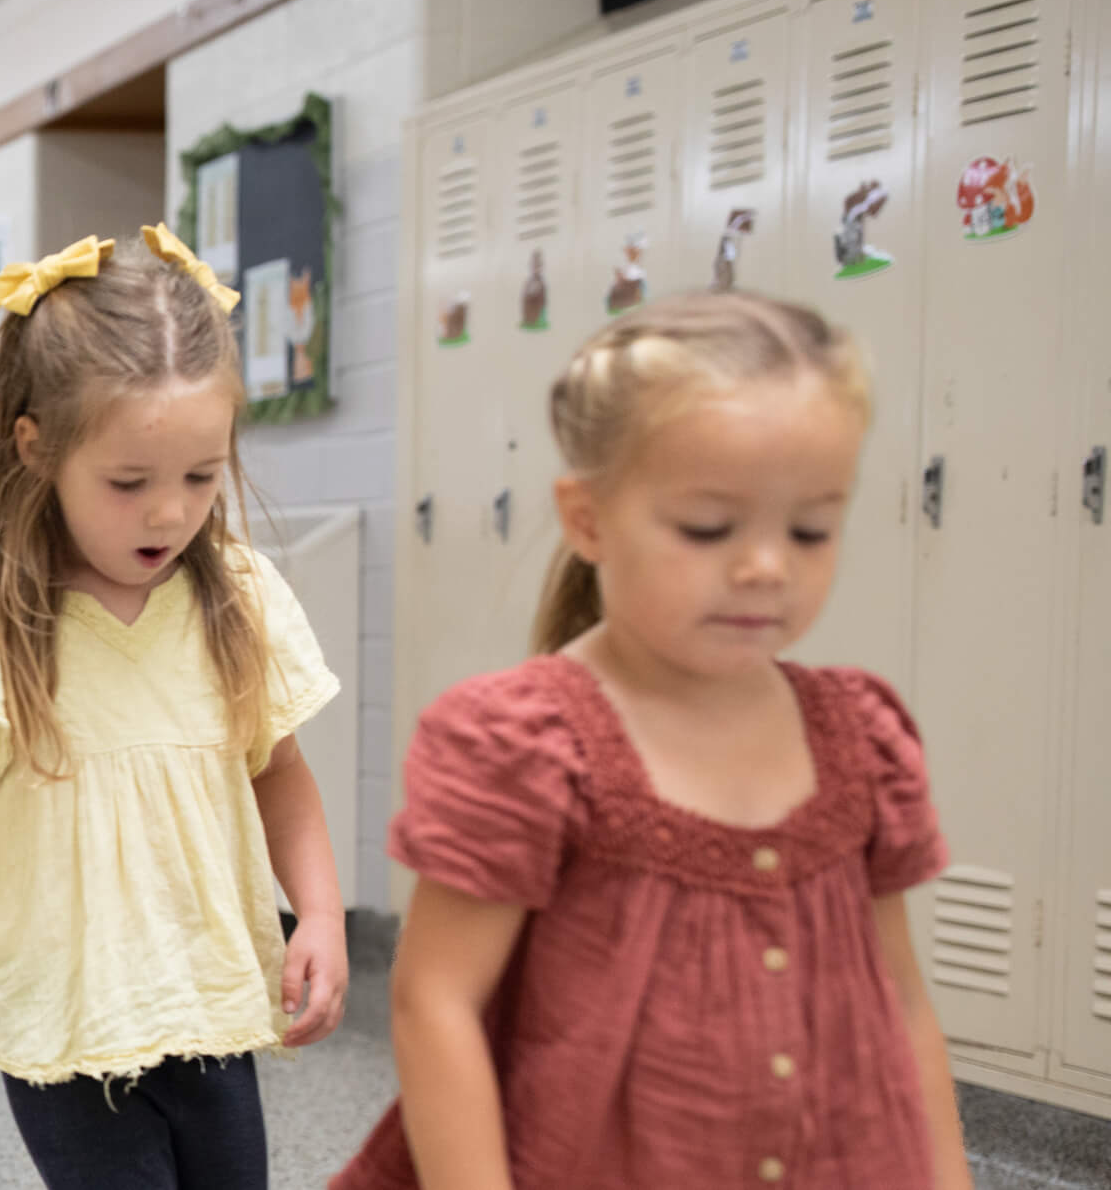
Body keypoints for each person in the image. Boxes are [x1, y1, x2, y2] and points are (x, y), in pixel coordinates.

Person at [331, 292, 973, 1190]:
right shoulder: (529, 745)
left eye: (811, 528)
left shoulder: (857, 735)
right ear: (588, 518)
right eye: (709, 527)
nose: (765, 566)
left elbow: (899, 1003)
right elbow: (436, 1001)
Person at [0, 227, 350, 1189]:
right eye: (129, 483)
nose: (170, 513)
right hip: (64, 1015)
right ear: (36, 449)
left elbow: (281, 775)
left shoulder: (236, 598)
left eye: (201, 477)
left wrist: (322, 918)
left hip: (207, 997)